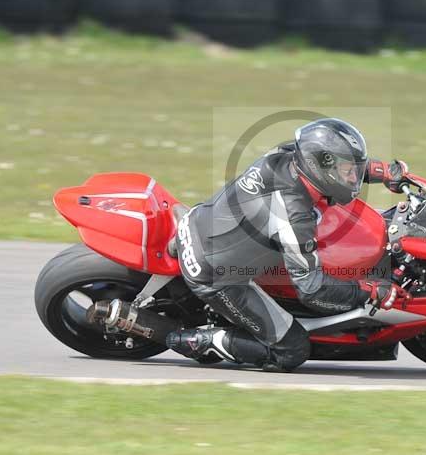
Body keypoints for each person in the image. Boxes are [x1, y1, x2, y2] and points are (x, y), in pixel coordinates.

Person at [167, 118, 409, 372]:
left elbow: (326, 159)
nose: (352, 176)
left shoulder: (288, 155)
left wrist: (382, 171)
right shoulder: (293, 215)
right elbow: (312, 290)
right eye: (348, 171)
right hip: (215, 274)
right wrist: (368, 291)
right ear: (321, 168)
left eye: (353, 169)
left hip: (201, 221)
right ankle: (200, 340)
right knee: (293, 350)